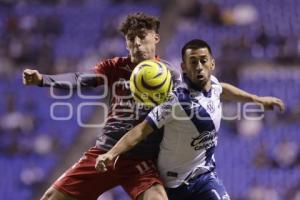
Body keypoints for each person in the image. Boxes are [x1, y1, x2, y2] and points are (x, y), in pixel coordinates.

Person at [95, 39, 285, 200]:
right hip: (172, 185)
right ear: (184, 67)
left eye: (203, 61)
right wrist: (111, 154)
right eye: (193, 62)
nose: (199, 66)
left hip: (203, 177)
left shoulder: (214, 85)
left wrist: (256, 99)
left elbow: (223, 89)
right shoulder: (175, 101)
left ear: (212, 63)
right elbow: (140, 131)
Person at [23, 12, 171, 200]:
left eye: (142, 36)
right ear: (126, 43)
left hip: (140, 159)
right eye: (131, 38)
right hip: (105, 152)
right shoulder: (115, 67)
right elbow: (80, 79)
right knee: (51, 198)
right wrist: (43, 79)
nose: (137, 43)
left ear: (155, 38)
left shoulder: (170, 76)